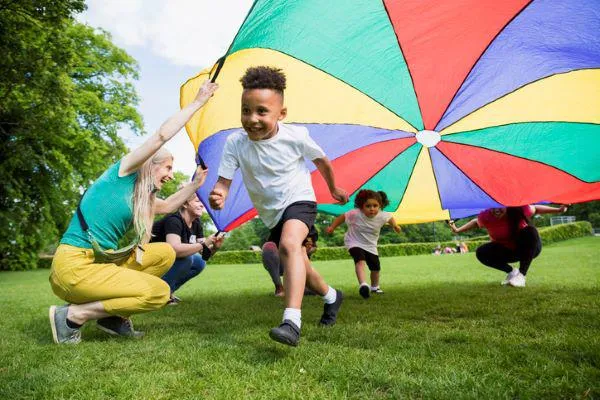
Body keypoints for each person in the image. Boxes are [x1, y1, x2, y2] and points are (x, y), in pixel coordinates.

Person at [48, 80, 218, 344]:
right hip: (73, 268)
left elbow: (170, 205)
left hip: (98, 264)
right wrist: (198, 102)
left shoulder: (140, 198)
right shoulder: (123, 173)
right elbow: (162, 135)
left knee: (164, 252)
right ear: (151, 165)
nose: (171, 176)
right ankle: (73, 316)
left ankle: (112, 317)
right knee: (159, 293)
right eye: (168, 168)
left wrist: (196, 184)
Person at [209, 66, 348, 347]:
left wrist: (333, 188)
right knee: (298, 261)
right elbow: (223, 181)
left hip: (299, 199)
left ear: (281, 114)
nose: (252, 119)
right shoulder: (235, 143)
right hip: (271, 212)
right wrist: (218, 193)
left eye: (262, 112)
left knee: (288, 246)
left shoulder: (295, 136)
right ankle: (332, 296)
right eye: (246, 110)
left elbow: (322, 161)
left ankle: (291, 321)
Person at [448, 204, 568, 287]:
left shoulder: (519, 209)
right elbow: (475, 222)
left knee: (530, 231)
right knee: (481, 252)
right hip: (507, 251)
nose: (496, 210)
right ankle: (512, 272)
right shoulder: (486, 216)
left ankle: (521, 275)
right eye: (493, 208)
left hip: (528, 248)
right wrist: (458, 230)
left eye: (500, 207)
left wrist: (558, 210)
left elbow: (536, 209)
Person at [151, 192, 224, 305]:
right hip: (149, 259)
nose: (202, 205)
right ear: (185, 204)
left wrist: (214, 247)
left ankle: (167, 292)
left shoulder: (196, 223)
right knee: (187, 258)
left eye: (202, 202)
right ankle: (157, 294)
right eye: (197, 201)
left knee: (199, 262)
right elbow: (174, 249)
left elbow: (203, 254)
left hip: (167, 260)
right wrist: (204, 243)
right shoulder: (174, 220)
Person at [326, 190, 401, 299]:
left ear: (380, 205)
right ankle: (363, 285)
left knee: (375, 267)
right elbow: (342, 217)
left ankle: (375, 287)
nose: (372, 209)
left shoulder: (382, 215)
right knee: (360, 260)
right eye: (368, 206)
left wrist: (395, 226)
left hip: (371, 245)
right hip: (354, 242)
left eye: (375, 206)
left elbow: (390, 218)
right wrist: (332, 227)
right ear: (361, 206)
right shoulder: (355, 213)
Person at [262, 228, 318, 297]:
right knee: (268, 246)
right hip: (282, 262)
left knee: (310, 290)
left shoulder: (311, 229)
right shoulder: (279, 226)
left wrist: (308, 249)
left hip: (299, 263)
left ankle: (302, 286)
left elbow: (314, 247)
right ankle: (279, 287)